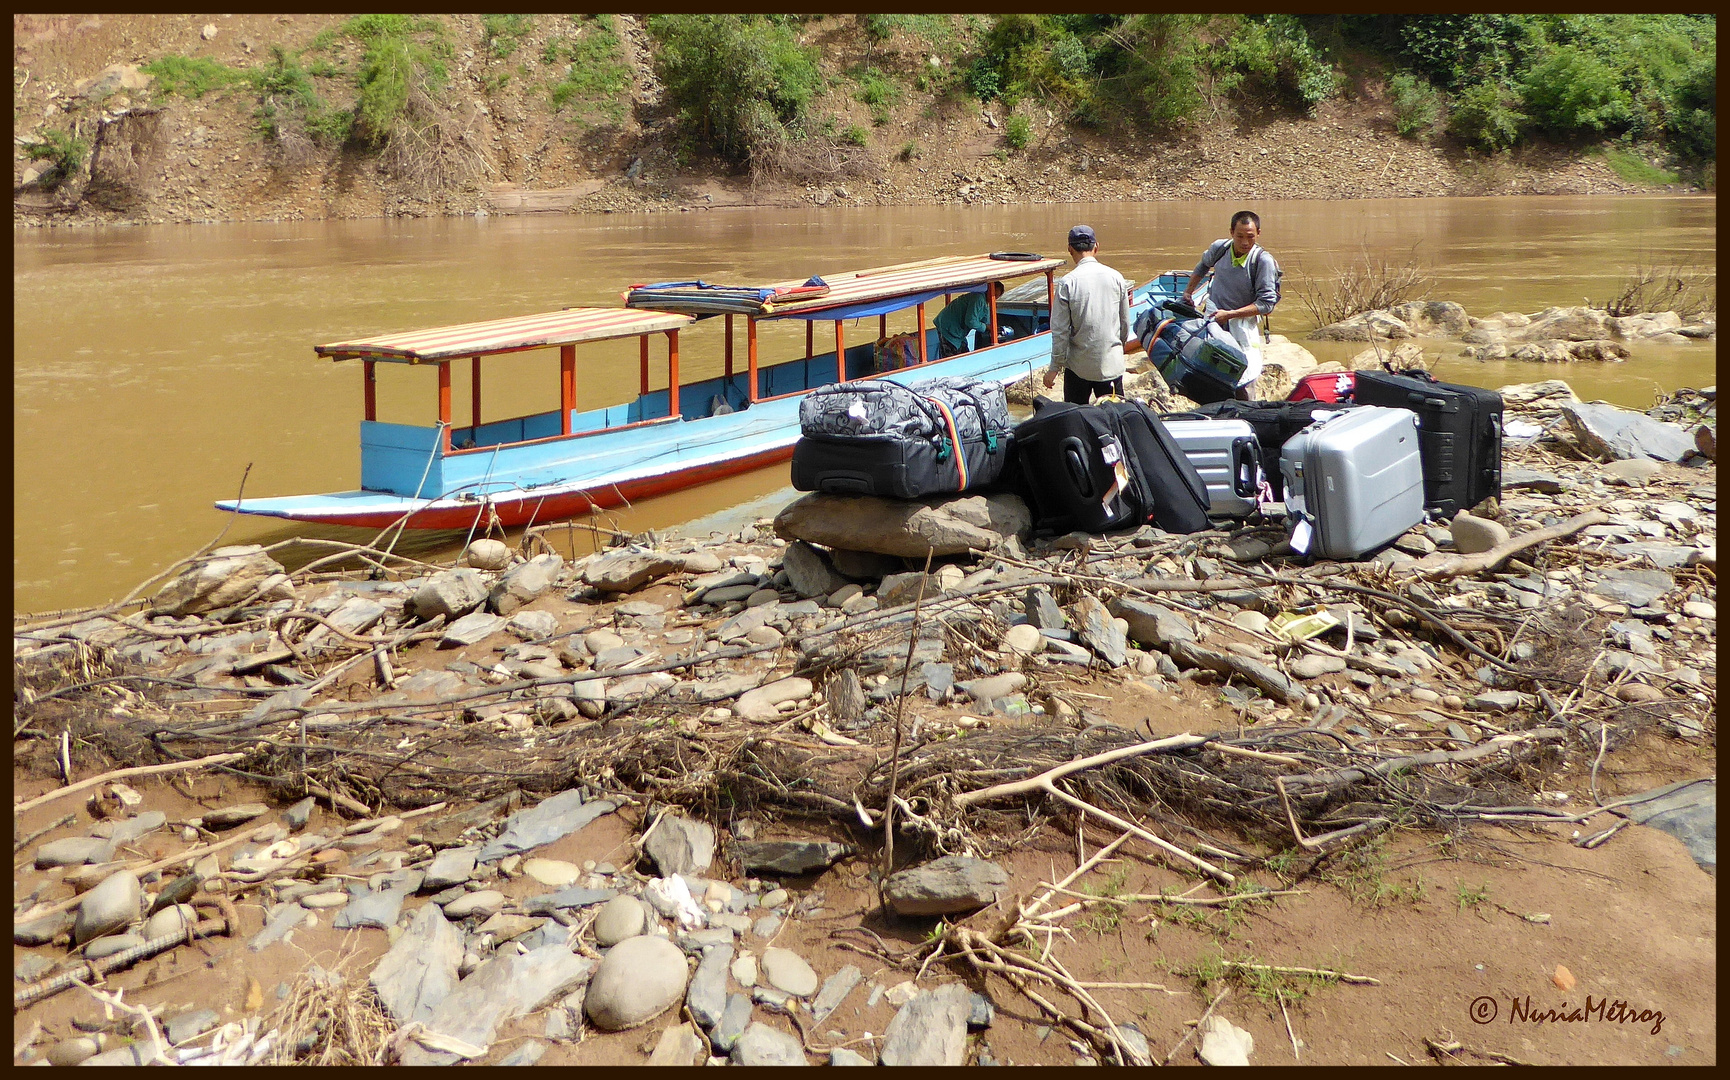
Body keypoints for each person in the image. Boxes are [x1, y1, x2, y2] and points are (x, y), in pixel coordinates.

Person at [1180, 209, 1280, 400]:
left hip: (1241, 325)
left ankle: (1247, 414)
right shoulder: (1221, 248)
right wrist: (1189, 291)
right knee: (1210, 373)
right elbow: (1203, 265)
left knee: (1245, 377)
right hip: (1213, 319)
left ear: (1258, 233)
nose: (1244, 242)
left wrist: (1230, 314)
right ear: (1231, 232)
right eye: (1239, 236)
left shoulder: (1262, 261)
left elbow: (1267, 304)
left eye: (1250, 237)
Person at [1043, 225, 1134, 405]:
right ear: (1096, 247)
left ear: (1070, 249)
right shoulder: (1117, 277)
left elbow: (1060, 332)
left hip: (1078, 369)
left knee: (1078, 420)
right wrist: (1117, 350)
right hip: (1111, 366)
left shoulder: (1067, 283)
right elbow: (1124, 324)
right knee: (1114, 420)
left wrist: (1054, 368)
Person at [934, 280, 1006, 358]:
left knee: (965, 353)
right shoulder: (978, 298)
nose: (993, 298)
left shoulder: (986, 302)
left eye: (996, 297)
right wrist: (986, 327)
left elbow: (986, 320)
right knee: (951, 356)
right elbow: (971, 322)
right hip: (947, 327)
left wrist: (991, 327)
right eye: (993, 295)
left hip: (959, 332)